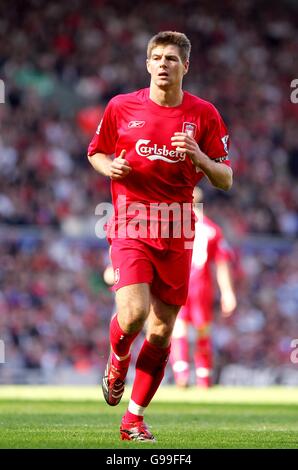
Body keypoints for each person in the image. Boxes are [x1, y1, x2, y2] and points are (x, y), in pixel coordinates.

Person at [87, 31, 233, 442]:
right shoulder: (121, 107)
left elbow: (225, 177)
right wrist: (107, 167)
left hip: (176, 229)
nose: (164, 64)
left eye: (172, 58)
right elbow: (95, 151)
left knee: (161, 331)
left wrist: (199, 156)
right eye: (157, 57)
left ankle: (133, 419)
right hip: (131, 221)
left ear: (186, 66)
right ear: (148, 64)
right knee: (133, 315)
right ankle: (118, 360)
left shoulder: (204, 115)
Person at [171, 187, 237, 389]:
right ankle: (204, 378)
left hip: (178, 282)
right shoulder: (212, 229)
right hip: (201, 286)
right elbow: (222, 262)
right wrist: (227, 293)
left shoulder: (174, 226)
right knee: (203, 331)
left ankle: (181, 374)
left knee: (178, 330)